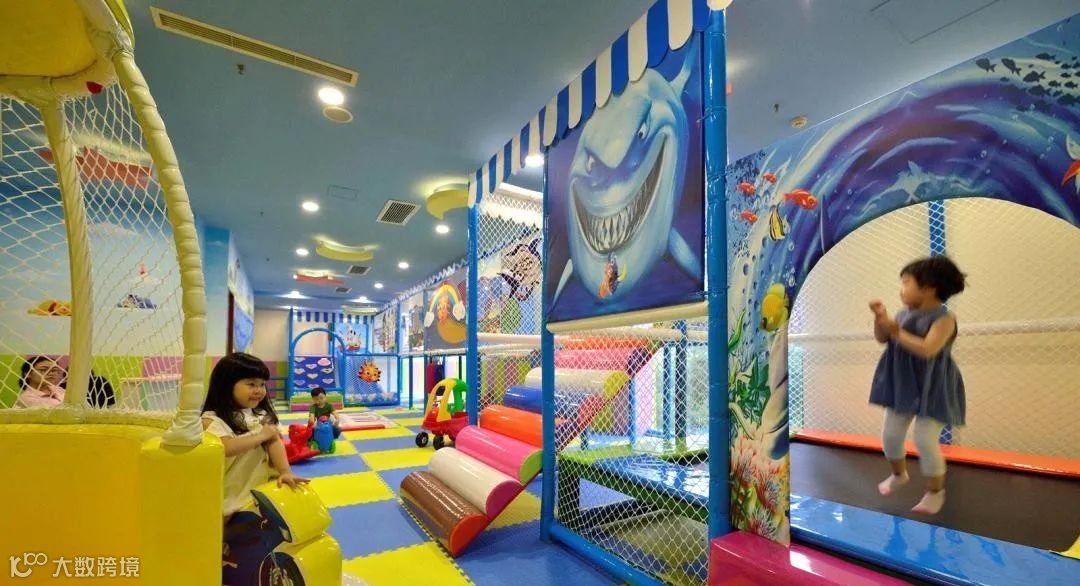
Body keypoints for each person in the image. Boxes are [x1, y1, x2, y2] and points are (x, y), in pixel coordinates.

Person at [868, 255, 967, 515]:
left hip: (934, 386)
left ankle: (935, 492)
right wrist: (881, 320)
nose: (901, 289)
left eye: (906, 283)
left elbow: (927, 349)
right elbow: (882, 338)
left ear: (929, 288)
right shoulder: (902, 314)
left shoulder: (945, 319)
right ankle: (898, 474)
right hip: (903, 383)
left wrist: (896, 330)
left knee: (924, 439)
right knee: (890, 435)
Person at [201, 352, 308, 518]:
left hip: (259, 488)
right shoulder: (212, 419)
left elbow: (274, 442)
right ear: (226, 385)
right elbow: (226, 447)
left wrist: (285, 471)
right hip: (230, 491)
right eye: (251, 384)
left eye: (262, 384)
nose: (259, 390)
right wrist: (261, 436)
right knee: (225, 523)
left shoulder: (261, 415)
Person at [16, 356, 115, 408]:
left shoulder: (60, 390)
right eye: (44, 369)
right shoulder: (26, 398)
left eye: (55, 370)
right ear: (27, 374)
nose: (51, 373)